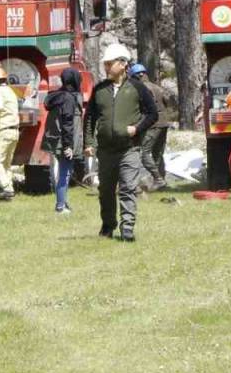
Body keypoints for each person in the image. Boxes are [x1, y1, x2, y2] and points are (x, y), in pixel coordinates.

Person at [85, 44, 157, 242]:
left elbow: (152, 114)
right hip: (105, 151)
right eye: (105, 64)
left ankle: (127, 229)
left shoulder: (137, 88)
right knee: (106, 192)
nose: (106, 67)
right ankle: (108, 226)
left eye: (110, 63)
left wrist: (137, 128)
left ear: (123, 64)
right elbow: (90, 118)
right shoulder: (99, 90)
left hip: (129, 149)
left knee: (127, 189)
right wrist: (89, 142)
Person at [43, 69, 83, 214]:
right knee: (65, 173)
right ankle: (60, 206)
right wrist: (68, 146)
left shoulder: (60, 96)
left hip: (58, 140)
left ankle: (63, 203)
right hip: (65, 142)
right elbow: (67, 123)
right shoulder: (68, 98)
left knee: (65, 172)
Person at [129, 63, 175, 189]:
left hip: (153, 124)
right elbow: (167, 102)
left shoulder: (141, 88)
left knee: (144, 153)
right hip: (164, 123)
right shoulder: (157, 87)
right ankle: (162, 182)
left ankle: (158, 179)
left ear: (135, 76)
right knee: (158, 154)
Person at [0, 65, 20, 201]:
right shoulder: (10, 91)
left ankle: (6, 188)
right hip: (14, 131)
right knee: (6, 163)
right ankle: (9, 188)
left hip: (3, 130)